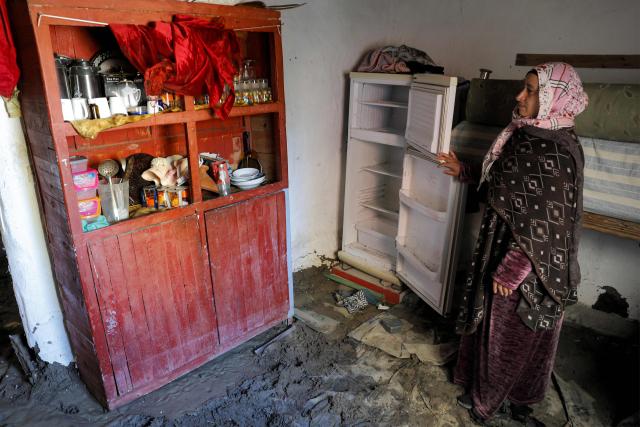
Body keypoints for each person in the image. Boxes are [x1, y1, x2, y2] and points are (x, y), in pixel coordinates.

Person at [436, 62, 588, 425]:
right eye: (524, 87)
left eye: (531, 90)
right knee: (504, 329)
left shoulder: (555, 152)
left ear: (554, 97)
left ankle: (489, 401)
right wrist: (467, 172)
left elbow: (548, 226)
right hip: (508, 247)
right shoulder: (526, 134)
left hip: (530, 265)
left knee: (509, 334)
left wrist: (511, 271)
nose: (520, 96)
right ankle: (513, 395)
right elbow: (507, 187)